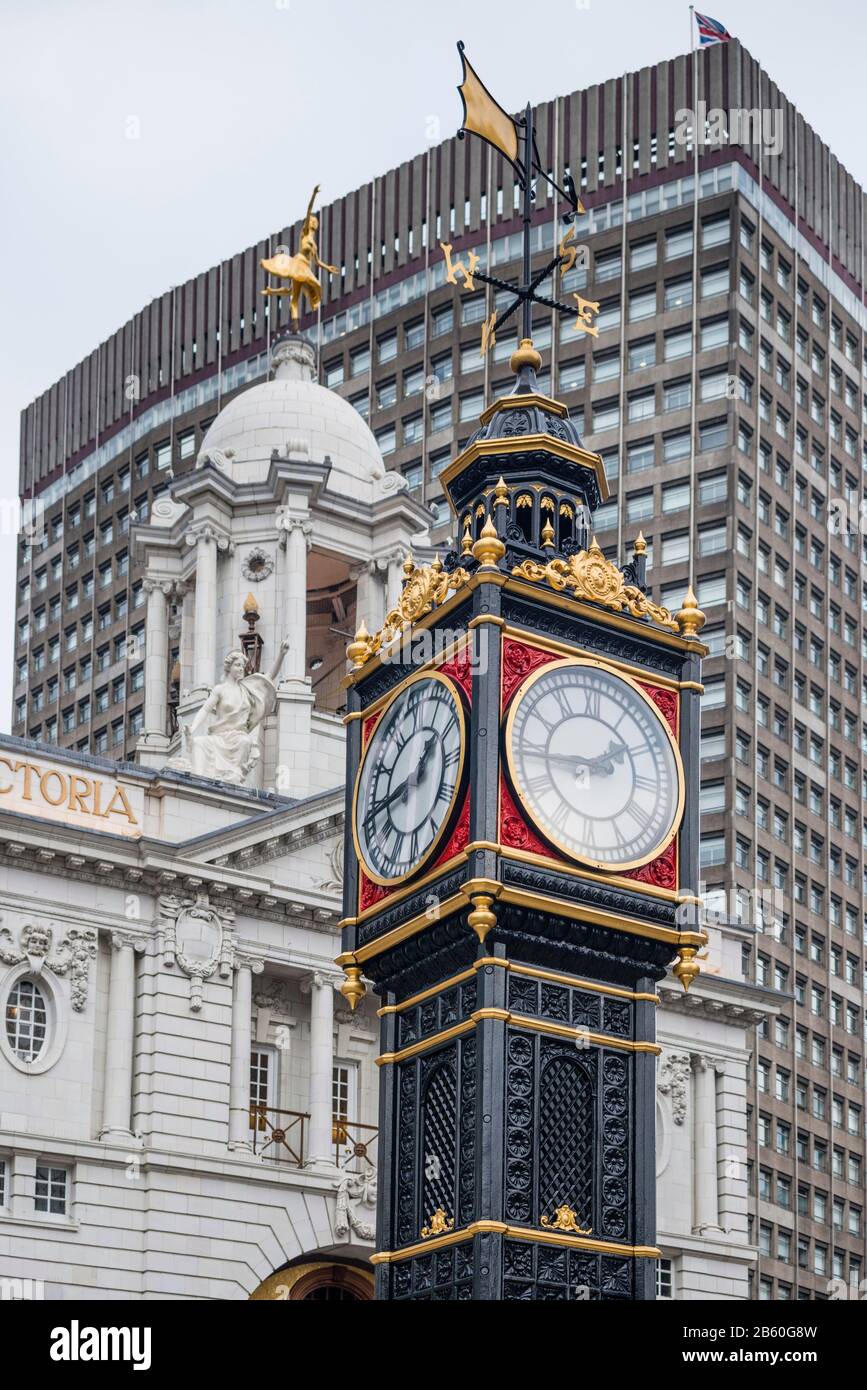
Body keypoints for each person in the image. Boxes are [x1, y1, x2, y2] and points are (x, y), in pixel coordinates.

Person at [183, 638, 290, 784]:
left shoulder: (247, 690)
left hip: (237, 737)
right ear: (229, 667)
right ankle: (199, 784)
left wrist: (281, 655)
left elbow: (269, 677)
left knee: (245, 741)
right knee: (199, 743)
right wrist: (192, 729)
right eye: (238, 665)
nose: (241, 669)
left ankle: (232, 776)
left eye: (243, 666)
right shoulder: (220, 690)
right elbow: (205, 709)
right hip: (219, 737)